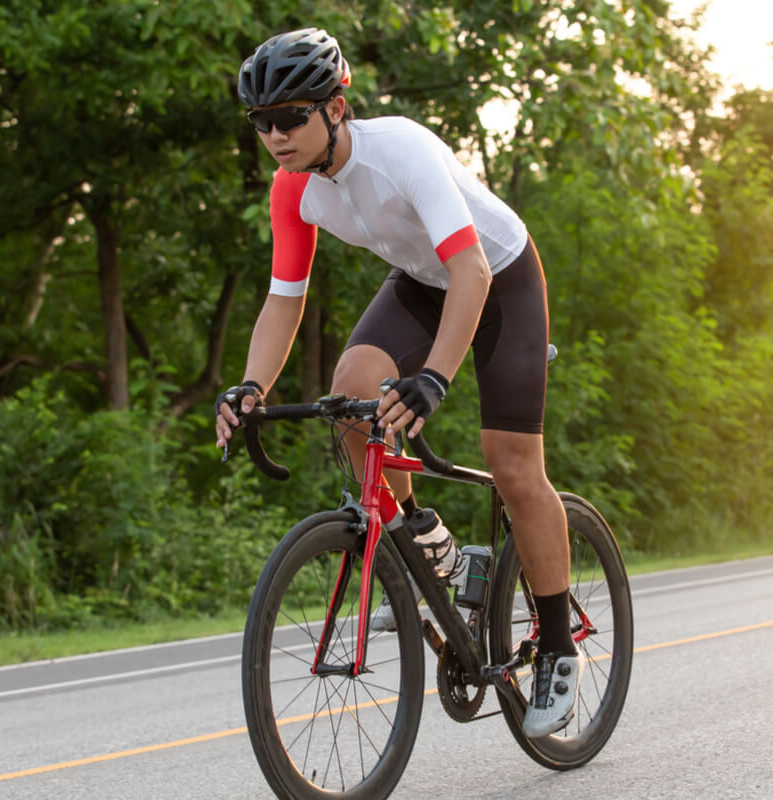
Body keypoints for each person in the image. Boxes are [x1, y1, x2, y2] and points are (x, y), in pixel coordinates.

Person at [213, 28, 579, 738]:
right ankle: (424, 540)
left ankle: (559, 645)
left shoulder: (400, 151)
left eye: (291, 117)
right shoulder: (293, 192)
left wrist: (435, 377)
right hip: (423, 282)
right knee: (353, 390)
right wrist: (251, 386)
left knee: (511, 464)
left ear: (336, 108)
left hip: (498, 276)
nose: (276, 136)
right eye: (262, 123)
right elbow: (284, 300)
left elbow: (471, 272)